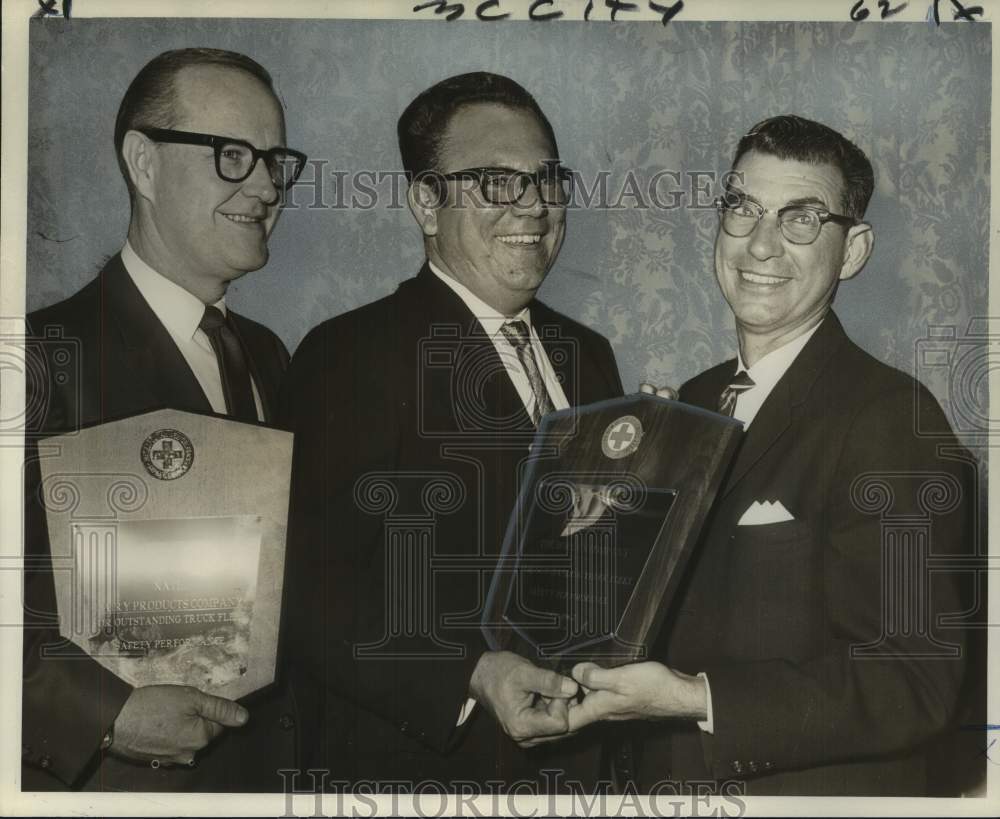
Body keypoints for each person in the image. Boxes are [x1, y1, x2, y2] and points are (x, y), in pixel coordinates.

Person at [565, 115, 973, 795]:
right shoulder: (692, 401)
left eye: (801, 219)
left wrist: (697, 698)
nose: (760, 245)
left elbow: (915, 677)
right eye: (742, 208)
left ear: (854, 250)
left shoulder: (893, 416)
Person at [279, 72, 624, 789]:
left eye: (547, 179)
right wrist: (469, 675)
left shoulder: (587, 354)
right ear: (426, 204)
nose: (533, 205)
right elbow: (306, 591)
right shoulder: (349, 354)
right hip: (422, 772)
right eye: (497, 183)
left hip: (583, 768)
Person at [22, 47, 308, 792]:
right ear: (143, 165)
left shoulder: (271, 357)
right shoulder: (38, 357)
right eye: (235, 156)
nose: (268, 185)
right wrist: (105, 713)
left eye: (277, 160)